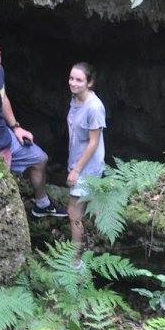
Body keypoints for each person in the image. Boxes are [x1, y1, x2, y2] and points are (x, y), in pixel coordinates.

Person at [0, 34, 66, 218]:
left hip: (7, 136)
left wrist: (16, 127)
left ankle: (42, 204)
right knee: (1, 192)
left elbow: (3, 98)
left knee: (40, 159)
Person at [66, 62, 106, 249]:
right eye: (71, 78)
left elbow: (93, 143)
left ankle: (76, 260)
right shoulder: (75, 99)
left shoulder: (94, 107)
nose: (73, 83)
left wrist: (76, 170)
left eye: (79, 80)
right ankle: (95, 247)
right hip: (76, 160)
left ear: (89, 83)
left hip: (87, 166)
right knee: (88, 208)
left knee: (74, 211)